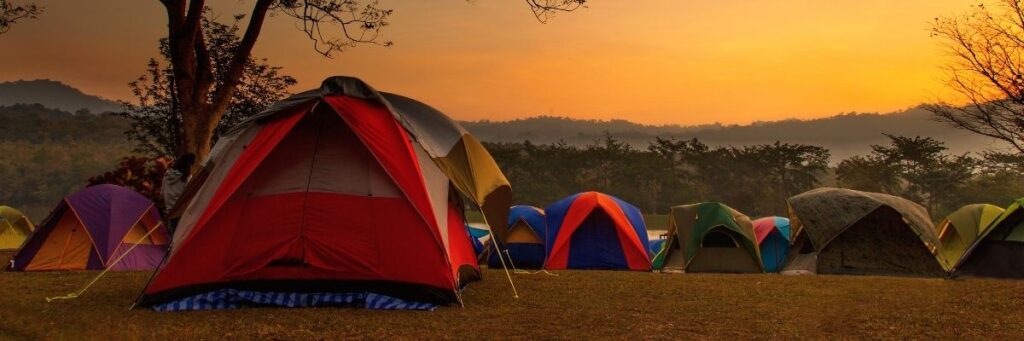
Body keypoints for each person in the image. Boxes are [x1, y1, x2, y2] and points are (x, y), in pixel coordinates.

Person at [162, 153, 196, 235]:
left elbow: (162, 193)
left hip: (170, 211)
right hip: (183, 213)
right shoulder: (187, 177)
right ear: (189, 165)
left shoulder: (166, 175)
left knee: (174, 238)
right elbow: (191, 195)